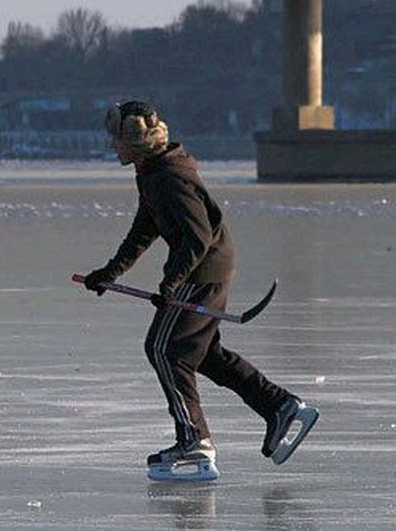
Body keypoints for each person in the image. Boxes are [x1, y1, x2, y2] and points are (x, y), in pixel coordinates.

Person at [82, 101, 318, 481]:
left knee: (165, 349)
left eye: (116, 140)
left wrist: (173, 282)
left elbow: (198, 237)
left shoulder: (170, 177)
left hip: (203, 271)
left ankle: (194, 440)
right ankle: (279, 405)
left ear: (135, 142)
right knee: (202, 353)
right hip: (205, 268)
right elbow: (144, 230)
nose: (112, 147)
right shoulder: (152, 172)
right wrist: (109, 273)